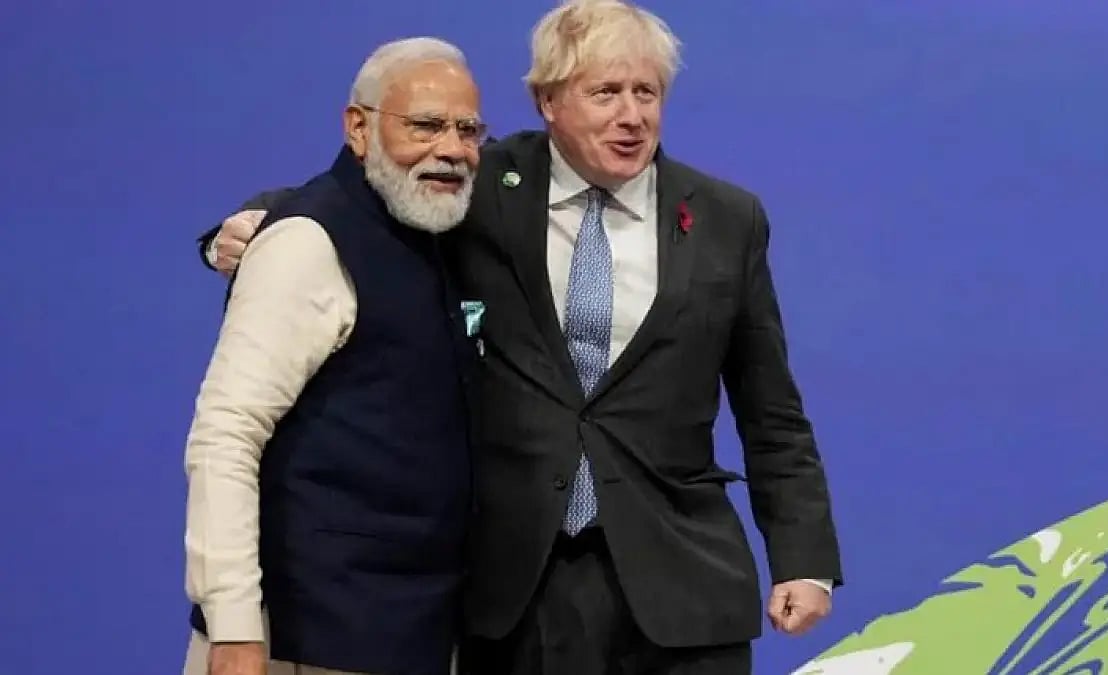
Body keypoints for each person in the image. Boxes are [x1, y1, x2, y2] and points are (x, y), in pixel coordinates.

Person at [196, 2, 843, 673]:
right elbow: (362, 192)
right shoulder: (480, 187)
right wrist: (252, 219)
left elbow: (772, 410)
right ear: (547, 101)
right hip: (518, 594)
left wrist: (805, 559)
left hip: (685, 586)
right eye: (605, 92)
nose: (632, 115)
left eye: (646, 92)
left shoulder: (726, 219)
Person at [181, 37, 485, 675]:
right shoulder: (308, 243)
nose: (452, 149)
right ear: (358, 127)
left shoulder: (435, 229)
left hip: (419, 635)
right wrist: (234, 628)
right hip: (303, 643)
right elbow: (226, 437)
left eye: (468, 130)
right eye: (425, 125)